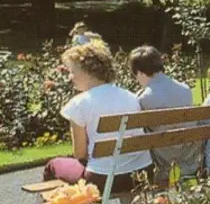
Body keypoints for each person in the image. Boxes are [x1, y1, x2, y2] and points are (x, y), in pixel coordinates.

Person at [42, 42, 150, 193]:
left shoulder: (79, 103)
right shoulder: (131, 97)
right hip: (141, 173)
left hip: (102, 179)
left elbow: (80, 154)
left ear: (89, 72)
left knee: (53, 165)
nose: (70, 77)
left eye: (73, 71)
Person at [130, 45, 197, 178]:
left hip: (163, 162)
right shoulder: (185, 89)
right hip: (190, 158)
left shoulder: (142, 98)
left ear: (140, 73)